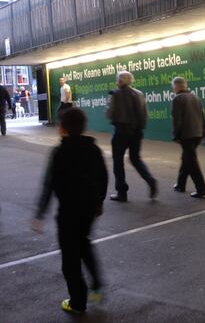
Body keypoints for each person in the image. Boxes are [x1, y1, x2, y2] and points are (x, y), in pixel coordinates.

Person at [31, 107, 108, 313]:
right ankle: (97, 285)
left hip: (68, 212)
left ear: (62, 128)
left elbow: (50, 184)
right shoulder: (94, 149)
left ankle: (77, 302)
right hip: (89, 209)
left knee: (70, 259)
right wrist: (99, 202)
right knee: (84, 243)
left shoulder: (59, 153)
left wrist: (40, 213)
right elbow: (103, 177)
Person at [106, 71, 157, 202]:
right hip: (137, 132)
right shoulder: (139, 94)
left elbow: (110, 114)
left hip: (121, 132)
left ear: (120, 81)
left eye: (117, 79)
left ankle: (121, 193)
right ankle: (150, 180)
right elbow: (145, 113)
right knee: (135, 159)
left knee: (118, 162)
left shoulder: (115, 94)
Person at [171, 76, 205, 198]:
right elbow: (203, 117)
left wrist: (176, 135)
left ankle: (201, 189)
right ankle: (180, 184)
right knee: (186, 158)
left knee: (191, 162)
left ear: (176, 86)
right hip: (197, 134)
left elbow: (177, 120)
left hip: (186, 135)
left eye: (173, 87)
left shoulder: (177, 99)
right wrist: (203, 133)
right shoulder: (196, 97)